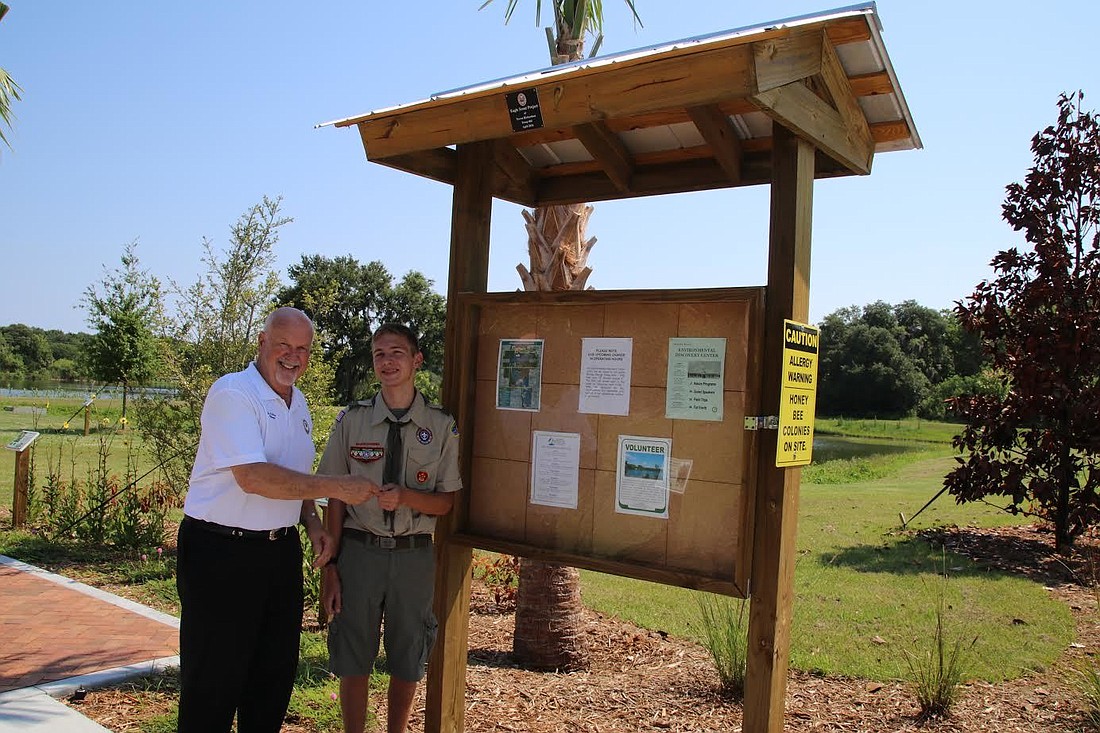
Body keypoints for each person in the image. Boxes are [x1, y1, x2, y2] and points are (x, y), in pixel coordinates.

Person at [176, 306, 379, 733]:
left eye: (302, 349)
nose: (293, 356)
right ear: (261, 343)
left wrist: (312, 521)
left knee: (271, 681)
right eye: (284, 345)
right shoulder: (234, 394)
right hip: (221, 553)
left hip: (278, 554)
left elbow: (292, 477)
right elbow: (253, 476)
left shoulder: (298, 402)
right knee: (213, 685)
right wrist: (337, 487)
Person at [320, 323, 462, 733]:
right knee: (353, 653)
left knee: (408, 653)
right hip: (359, 553)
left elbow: (446, 501)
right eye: (380, 354)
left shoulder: (439, 426)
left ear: (416, 360)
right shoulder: (353, 420)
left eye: (397, 352)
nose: (387, 361)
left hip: (413, 554)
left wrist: (405, 497)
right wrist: (331, 566)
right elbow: (333, 494)